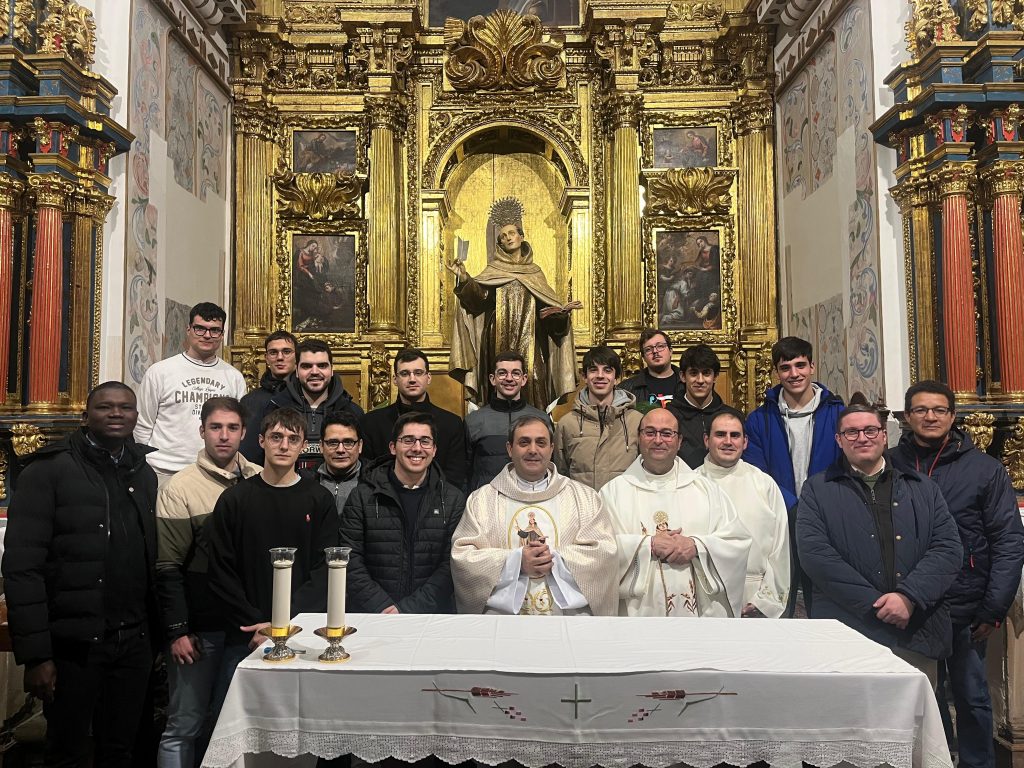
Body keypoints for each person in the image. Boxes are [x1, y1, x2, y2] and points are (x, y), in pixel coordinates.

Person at [3, 382, 158, 767]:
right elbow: (23, 567)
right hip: (75, 645)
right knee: (67, 751)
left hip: (134, 638)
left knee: (120, 749)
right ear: (85, 415)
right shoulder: (47, 471)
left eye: (126, 408)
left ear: (137, 417)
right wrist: (37, 656)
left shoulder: (143, 470)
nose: (117, 413)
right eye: (106, 407)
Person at [890, 380, 1024, 768]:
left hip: (966, 604)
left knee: (972, 697)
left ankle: (977, 763)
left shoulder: (985, 469)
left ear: (952, 416)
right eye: (920, 410)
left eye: (938, 410)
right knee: (920, 695)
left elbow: (1008, 540)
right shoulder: (891, 465)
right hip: (912, 601)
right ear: (907, 416)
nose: (929, 417)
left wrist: (993, 607)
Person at [796, 404, 963, 682]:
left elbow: (947, 548)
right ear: (839, 440)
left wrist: (908, 598)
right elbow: (815, 555)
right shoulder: (817, 489)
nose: (862, 438)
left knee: (914, 720)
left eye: (870, 430)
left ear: (885, 436)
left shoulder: (922, 487)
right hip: (847, 629)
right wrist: (876, 605)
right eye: (851, 432)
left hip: (914, 628)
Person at [206, 407, 337, 714]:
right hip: (246, 633)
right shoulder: (235, 499)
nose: (284, 445)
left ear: (304, 446)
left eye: (293, 439)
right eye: (276, 437)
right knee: (233, 720)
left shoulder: (319, 499)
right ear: (261, 441)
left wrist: (283, 624)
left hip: (300, 628)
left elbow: (324, 571)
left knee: (306, 719)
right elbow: (221, 569)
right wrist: (258, 625)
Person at [155, 396, 260, 768]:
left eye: (232, 428)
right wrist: (178, 630)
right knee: (185, 723)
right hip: (201, 628)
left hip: (247, 627)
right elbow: (168, 567)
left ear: (244, 433)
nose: (224, 436)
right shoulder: (180, 488)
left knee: (232, 726)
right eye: (216, 427)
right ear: (202, 431)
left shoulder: (261, 479)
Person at [451, 416, 618, 616]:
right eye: (524, 442)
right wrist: (517, 562)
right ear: (509, 449)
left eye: (541, 442)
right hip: (504, 625)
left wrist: (555, 561)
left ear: (551, 449)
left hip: (567, 623)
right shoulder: (482, 500)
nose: (533, 450)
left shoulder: (584, 498)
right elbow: (463, 557)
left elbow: (604, 553)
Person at [600, 409, 751, 617]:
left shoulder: (706, 490)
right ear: (639, 438)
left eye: (667, 433)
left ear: (679, 441)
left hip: (699, 617)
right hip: (638, 616)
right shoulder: (613, 492)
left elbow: (737, 541)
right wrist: (648, 545)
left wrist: (696, 546)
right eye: (650, 432)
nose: (658, 440)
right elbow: (599, 549)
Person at [448, 196, 581, 410]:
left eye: (511, 233)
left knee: (535, 379)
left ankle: (535, 423)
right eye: (502, 236)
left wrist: (561, 313)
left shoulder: (535, 272)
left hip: (531, 339)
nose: (508, 238)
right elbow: (478, 300)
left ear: (521, 236)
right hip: (497, 336)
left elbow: (546, 314)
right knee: (500, 379)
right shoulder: (494, 270)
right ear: (499, 243)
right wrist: (464, 278)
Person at [744, 336, 844, 613]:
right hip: (781, 519)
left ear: (813, 366)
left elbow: (843, 466)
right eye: (785, 367)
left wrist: (813, 506)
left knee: (825, 601)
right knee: (781, 600)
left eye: (800, 365)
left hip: (826, 518)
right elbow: (757, 473)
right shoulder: (759, 419)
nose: (794, 374)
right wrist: (793, 506)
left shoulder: (837, 413)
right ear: (777, 372)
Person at [340, 412, 465, 613]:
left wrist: (408, 609)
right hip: (373, 615)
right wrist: (382, 606)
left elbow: (451, 564)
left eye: (425, 441)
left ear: (434, 450)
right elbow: (350, 558)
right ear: (392, 447)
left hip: (430, 616)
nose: (417, 448)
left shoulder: (452, 499)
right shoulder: (362, 497)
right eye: (408, 440)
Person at [134, 302, 247, 486]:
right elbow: (143, 425)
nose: (207, 335)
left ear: (222, 334)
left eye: (214, 330)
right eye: (200, 329)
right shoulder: (160, 372)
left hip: (215, 471)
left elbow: (239, 427)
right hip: (164, 471)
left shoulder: (234, 377)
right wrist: (149, 462)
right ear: (189, 329)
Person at [697, 408, 790, 618]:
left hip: (754, 596)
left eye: (735, 435)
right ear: (706, 440)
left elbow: (780, 547)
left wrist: (765, 601)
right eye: (720, 434)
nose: (728, 441)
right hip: (705, 597)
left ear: (745, 442)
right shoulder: (690, 484)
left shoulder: (764, 484)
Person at [359, 348, 468, 490]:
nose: (412, 379)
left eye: (418, 373)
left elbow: (455, 477)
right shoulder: (371, 422)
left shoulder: (451, 424)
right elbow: (368, 473)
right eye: (404, 373)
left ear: (428, 377)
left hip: (436, 505)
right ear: (395, 380)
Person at [263, 338, 364, 472]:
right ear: (297, 371)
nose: (315, 372)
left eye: (322, 365)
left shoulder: (352, 411)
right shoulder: (276, 408)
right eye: (307, 366)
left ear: (332, 370)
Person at [554, 346, 643, 491]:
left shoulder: (637, 421)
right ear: (584, 376)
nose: (600, 375)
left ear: (617, 378)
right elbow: (560, 475)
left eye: (607, 370)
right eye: (593, 370)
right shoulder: (567, 423)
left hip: (624, 508)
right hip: (583, 508)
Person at [465, 350, 550, 492]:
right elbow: (464, 471)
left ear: (523, 379)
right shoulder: (474, 420)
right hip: (487, 501)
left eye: (515, 373)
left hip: (531, 499)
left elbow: (550, 464)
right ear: (493, 379)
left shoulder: (541, 419)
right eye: (502, 373)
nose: (509, 378)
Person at [667, 343, 729, 469]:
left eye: (706, 373)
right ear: (683, 376)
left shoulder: (731, 417)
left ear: (715, 376)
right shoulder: (669, 417)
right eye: (694, 373)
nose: (700, 380)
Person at [239, 330, 296, 463]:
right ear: (266, 357)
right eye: (273, 352)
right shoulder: (250, 401)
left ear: (297, 356)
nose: (280, 357)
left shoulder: (306, 396)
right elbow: (246, 449)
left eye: (286, 352)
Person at [619, 329, 679, 411]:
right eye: (648, 349)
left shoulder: (686, 383)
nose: (655, 351)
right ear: (643, 357)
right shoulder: (627, 389)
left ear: (670, 351)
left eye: (660, 346)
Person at [318, 410, 364, 516]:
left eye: (348, 442)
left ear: (360, 445)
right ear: (321, 446)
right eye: (332, 443)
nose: (340, 449)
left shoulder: (375, 483)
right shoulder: (307, 482)